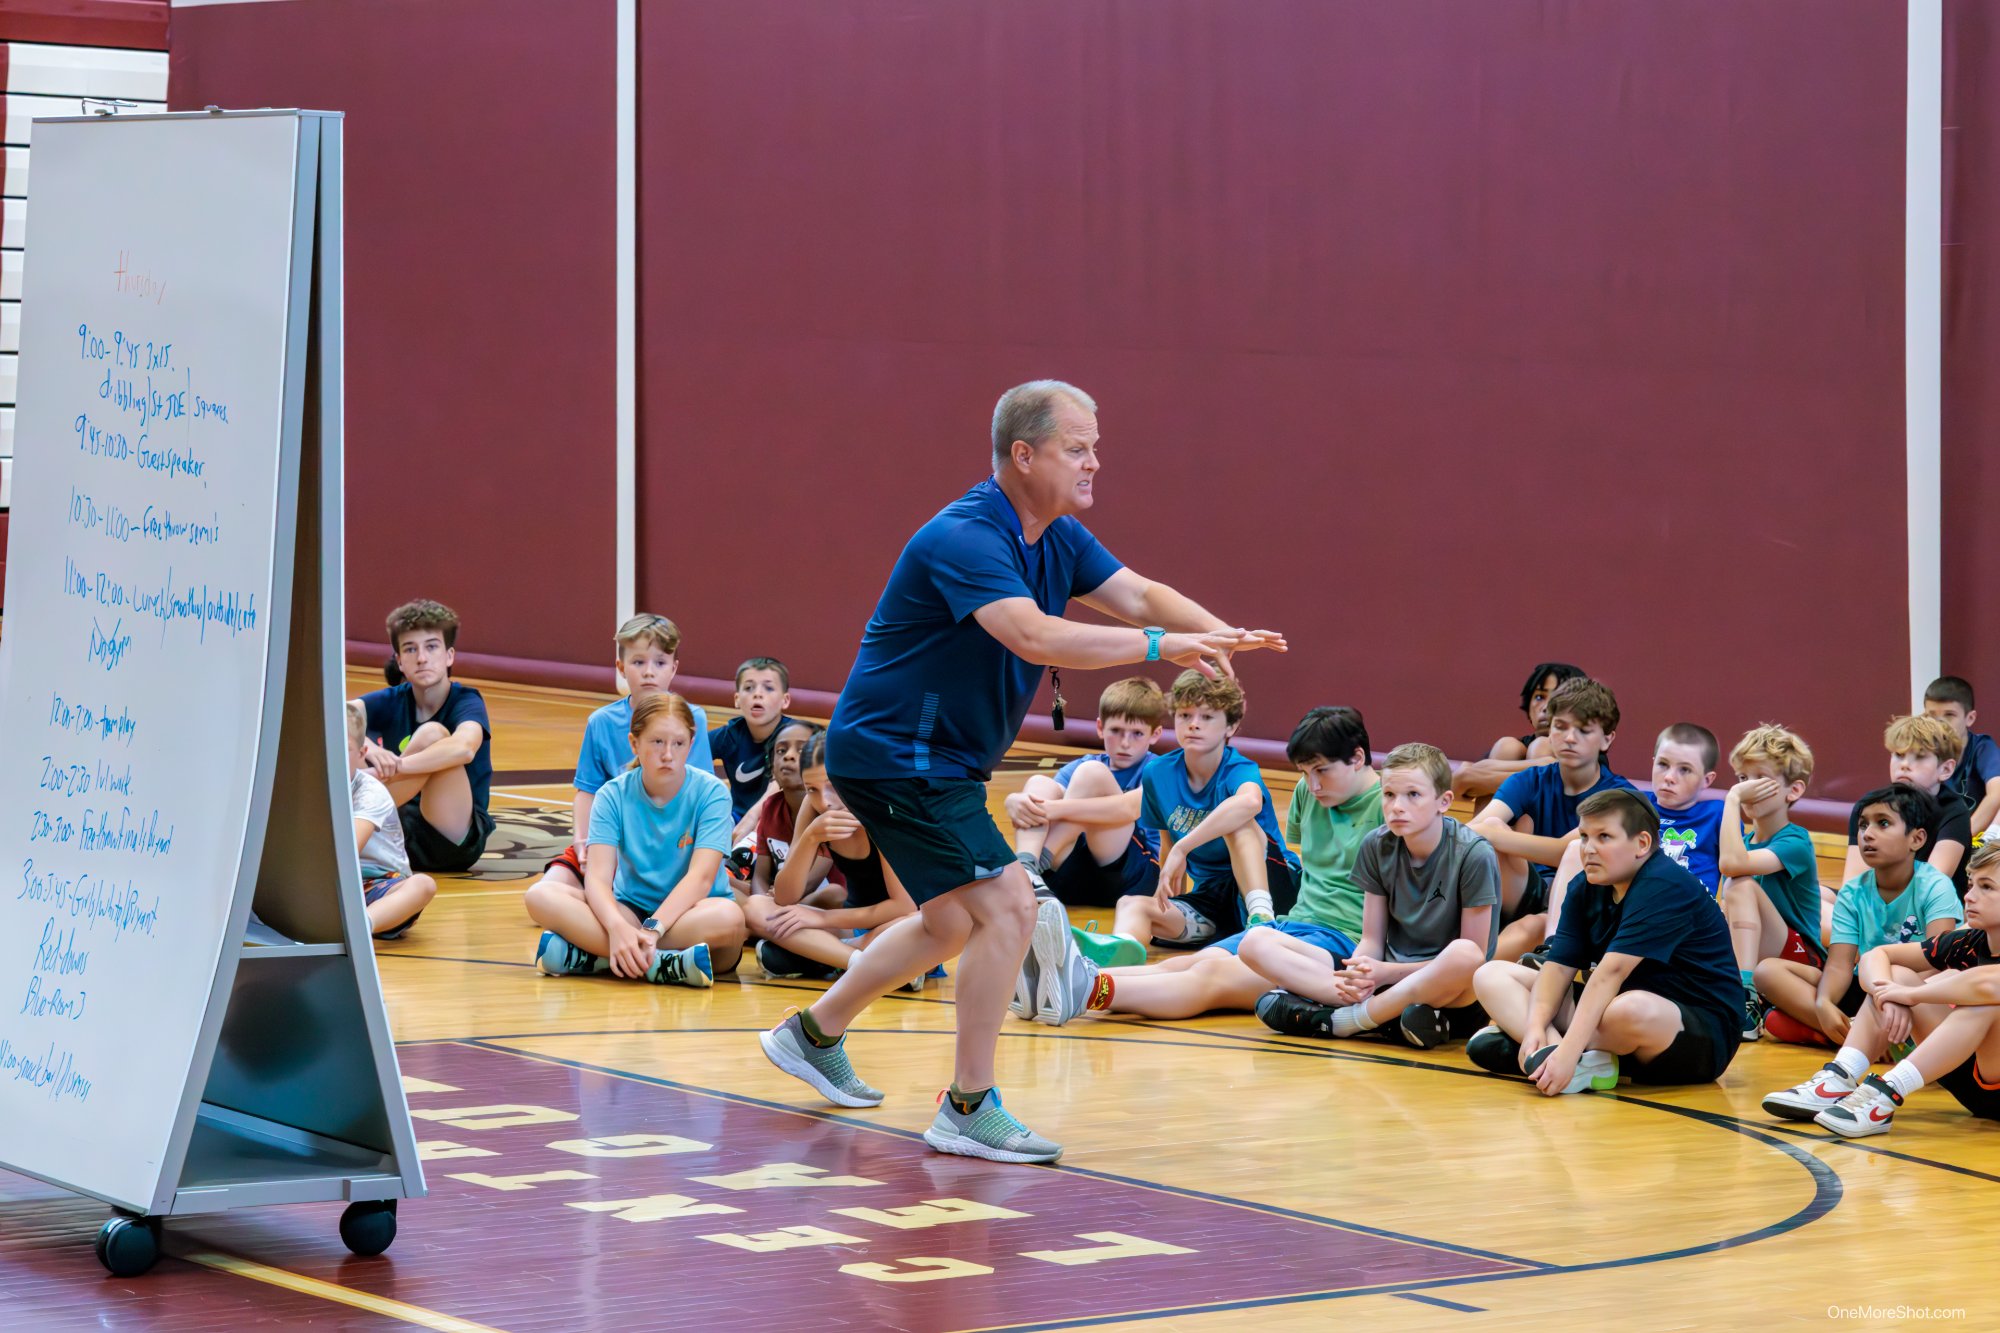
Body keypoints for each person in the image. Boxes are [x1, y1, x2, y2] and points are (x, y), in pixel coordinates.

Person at [757, 379, 1281, 1165]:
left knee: (950, 922)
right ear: (1023, 454)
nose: (1095, 462)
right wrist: (1155, 647)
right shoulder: (964, 537)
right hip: (900, 754)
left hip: (940, 759)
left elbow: (1136, 591)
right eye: (1078, 448)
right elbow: (1032, 635)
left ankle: (814, 1032)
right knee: (1008, 908)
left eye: (1095, 446)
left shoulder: (1059, 535)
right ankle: (968, 1105)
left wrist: (1215, 632)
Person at [1013, 706, 1377, 1029]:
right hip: (1292, 925)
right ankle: (1058, 980)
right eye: (1305, 772)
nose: (1312, 784)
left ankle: (1088, 990)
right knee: (1180, 966)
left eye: (1321, 772)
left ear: (1358, 758)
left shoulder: (1389, 807)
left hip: (1339, 943)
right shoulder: (1308, 790)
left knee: (1211, 976)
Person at [1469, 789, 1743, 1092]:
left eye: (1604, 837)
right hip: (1611, 1014)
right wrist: (1536, 1026)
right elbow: (1558, 968)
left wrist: (1567, 1052)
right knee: (1490, 974)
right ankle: (1560, 1055)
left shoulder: (1664, 885)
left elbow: (1610, 974)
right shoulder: (1586, 886)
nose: (1589, 848)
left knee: (1632, 1008)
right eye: (1585, 836)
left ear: (1641, 844)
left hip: (1696, 1033)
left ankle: (1561, 1055)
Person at [1251, 742, 1498, 1048]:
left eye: (1413, 795)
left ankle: (1345, 1020)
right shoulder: (1376, 845)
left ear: (1444, 801)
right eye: (1389, 794)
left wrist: (1385, 973)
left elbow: (1476, 955)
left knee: (1465, 954)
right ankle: (1380, 1014)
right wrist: (1359, 971)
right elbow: (1371, 937)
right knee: (1256, 941)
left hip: (1449, 990)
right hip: (1384, 983)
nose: (1397, 806)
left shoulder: (1474, 854)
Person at [1763, 841, 2000, 1136]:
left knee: (1985, 1004)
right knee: (1896, 974)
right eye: (1971, 885)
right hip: (1972, 1079)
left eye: (1987, 887)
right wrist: (1887, 996)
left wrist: (1912, 995)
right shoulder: (1967, 940)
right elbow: (1878, 955)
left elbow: (1989, 983)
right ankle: (1839, 1077)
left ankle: (1888, 1091)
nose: (1970, 896)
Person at [524, 693, 747, 984]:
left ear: (691, 745)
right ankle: (662, 964)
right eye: (657, 742)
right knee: (540, 895)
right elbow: (598, 879)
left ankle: (601, 958)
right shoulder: (612, 794)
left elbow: (701, 880)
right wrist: (617, 926)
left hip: (691, 916)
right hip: (629, 912)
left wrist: (653, 930)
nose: (668, 754)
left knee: (730, 918)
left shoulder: (712, 793)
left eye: (678, 744)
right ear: (634, 743)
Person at [1104, 671, 1302, 949]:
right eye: (1185, 715)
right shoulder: (1157, 773)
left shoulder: (1239, 769)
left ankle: (1262, 919)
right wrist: (1173, 901)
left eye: (1207, 717)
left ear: (1230, 727)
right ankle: (1114, 959)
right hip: (1213, 898)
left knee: (1237, 822)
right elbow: (1167, 847)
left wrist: (1183, 847)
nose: (1193, 725)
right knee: (1131, 905)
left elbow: (1249, 803)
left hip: (1274, 885)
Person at [1755, 784, 1959, 1047]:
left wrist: (1899, 995)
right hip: (1866, 987)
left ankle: (1842, 1037)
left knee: (1899, 972)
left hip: (1914, 991)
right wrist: (1824, 1003)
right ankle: (1859, 1037)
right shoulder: (1853, 891)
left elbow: (1938, 961)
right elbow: (1840, 964)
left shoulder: (1935, 885)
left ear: (1916, 839)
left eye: (1883, 824)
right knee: (1767, 971)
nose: (1868, 834)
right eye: (1863, 826)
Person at [530, 614, 713, 899]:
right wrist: (582, 841)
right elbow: (587, 790)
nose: (649, 672)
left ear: (674, 668)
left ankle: (608, 913)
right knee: (544, 891)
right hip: (612, 839)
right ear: (621, 667)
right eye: (638, 662)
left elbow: (703, 794)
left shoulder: (694, 719)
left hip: (672, 843)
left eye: (660, 663)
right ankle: (611, 908)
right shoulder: (601, 722)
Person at [1471, 676, 1635, 960]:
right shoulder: (1530, 779)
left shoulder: (1618, 795)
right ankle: (1447, 983)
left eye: (1584, 730)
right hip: (1523, 893)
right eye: (1560, 727)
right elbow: (1474, 831)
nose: (1570, 738)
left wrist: (1498, 836)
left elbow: (1566, 852)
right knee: (1492, 826)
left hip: (1587, 904)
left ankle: (1451, 986)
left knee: (1533, 926)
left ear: (1607, 738)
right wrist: (1494, 833)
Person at [1004, 677, 1166, 952]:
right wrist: (1015, 800)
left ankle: (1030, 869)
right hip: (1073, 879)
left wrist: (1043, 808)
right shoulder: (1086, 763)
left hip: (1129, 876)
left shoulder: (1160, 769)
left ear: (1155, 735)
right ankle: (1028, 868)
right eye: (1116, 730)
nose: (1125, 743)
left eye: (1137, 734)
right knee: (1039, 783)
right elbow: (1043, 797)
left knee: (1091, 777)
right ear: (1101, 728)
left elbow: (1127, 808)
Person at [745, 732, 921, 979]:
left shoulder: (881, 810)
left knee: (921, 923)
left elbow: (902, 906)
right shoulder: (811, 806)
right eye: (812, 789)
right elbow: (786, 897)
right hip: (851, 926)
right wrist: (809, 839)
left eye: (832, 786)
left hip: (896, 923)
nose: (824, 802)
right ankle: (858, 961)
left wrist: (821, 918)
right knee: (756, 907)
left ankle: (825, 956)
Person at [355, 599, 497, 874]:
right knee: (351, 742)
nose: (421, 658)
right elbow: (337, 714)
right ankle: (352, 832)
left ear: (449, 656)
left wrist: (394, 766)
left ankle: (349, 829)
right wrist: (370, 749)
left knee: (432, 735)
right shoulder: (392, 699)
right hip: (402, 831)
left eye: (431, 647)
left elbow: (464, 748)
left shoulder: (466, 700)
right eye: (410, 649)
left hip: (452, 838)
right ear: (399, 661)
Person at [1716, 723, 1822, 1040]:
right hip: (1765, 955)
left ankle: (1743, 996)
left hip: (1801, 961)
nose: (1748, 787)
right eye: (1742, 779)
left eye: (1760, 779)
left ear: (1794, 790)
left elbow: (1732, 865)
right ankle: (1750, 999)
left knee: (1740, 883)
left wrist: (1732, 799)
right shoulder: (1744, 840)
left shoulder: (1796, 841)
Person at [1838, 714, 1971, 898]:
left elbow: (1931, 886)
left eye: (1920, 757)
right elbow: (1852, 885)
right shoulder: (1869, 805)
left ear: (1946, 769)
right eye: (1899, 755)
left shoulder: (1954, 811)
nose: (1905, 765)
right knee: (1815, 897)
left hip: (1928, 910)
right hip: (1876, 904)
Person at [345, 701, 436, 938]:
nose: (329, 756)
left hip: (379, 884)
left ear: (362, 753)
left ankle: (359, 928)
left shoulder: (370, 792)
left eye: (341, 749)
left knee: (423, 885)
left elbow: (347, 852)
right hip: (326, 887)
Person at [1453, 662, 1586, 800]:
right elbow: (1458, 787)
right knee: (1507, 747)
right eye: (1539, 697)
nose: (1546, 707)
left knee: (1541, 746)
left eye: (1558, 698)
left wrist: (1472, 775)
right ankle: (1487, 822)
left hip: (1566, 818)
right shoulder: (1514, 748)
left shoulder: (1589, 748)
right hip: (1500, 817)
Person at [709, 656, 793, 824]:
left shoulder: (795, 735)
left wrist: (753, 817)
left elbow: (782, 784)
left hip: (781, 823)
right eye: (749, 688)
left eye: (768, 688)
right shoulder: (729, 735)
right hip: (734, 819)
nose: (757, 694)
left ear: (785, 700)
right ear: (737, 699)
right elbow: (689, 754)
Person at [1923, 675, 2000, 835]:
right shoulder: (1922, 751)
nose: (1940, 723)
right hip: (1938, 836)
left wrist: (1960, 837)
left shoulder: (1981, 746)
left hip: (1975, 833)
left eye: (1949, 715)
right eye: (1932, 716)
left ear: (1969, 718)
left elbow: (1997, 792)